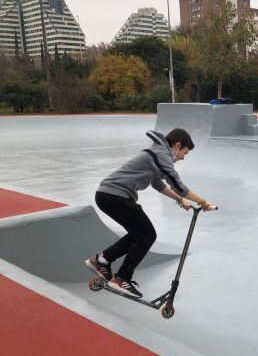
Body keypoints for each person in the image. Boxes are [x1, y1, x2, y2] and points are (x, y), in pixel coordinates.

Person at [84, 128, 217, 298]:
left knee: (139, 234)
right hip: (115, 195)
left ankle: (101, 261)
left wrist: (179, 199)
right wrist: (203, 202)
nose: (183, 158)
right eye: (184, 153)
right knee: (147, 235)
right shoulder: (163, 154)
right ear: (177, 145)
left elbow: (157, 183)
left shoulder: (156, 152)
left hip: (107, 195)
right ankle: (122, 277)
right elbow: (178, 185)